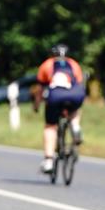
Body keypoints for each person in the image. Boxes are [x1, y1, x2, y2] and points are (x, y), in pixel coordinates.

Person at [36, 44, 86, 174]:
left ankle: (48, 161)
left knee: (50, 126)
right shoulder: (74, 64)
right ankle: (75, 126)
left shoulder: (47, 65)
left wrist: (36, 105)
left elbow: (40, 90)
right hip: (75, 94)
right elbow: (79, 84)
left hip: (56, 96)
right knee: (75, 110)